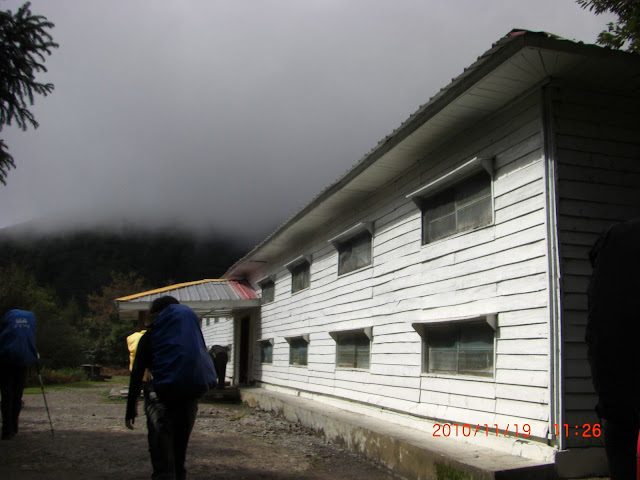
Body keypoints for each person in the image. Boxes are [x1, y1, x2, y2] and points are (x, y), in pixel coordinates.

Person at [125, 296, 216, 480]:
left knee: (162, 459)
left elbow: (137, 374)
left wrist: (130, 408)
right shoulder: (191, 338)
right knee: (179, 457)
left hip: (161, 400)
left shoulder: (151, 337)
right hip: (188, 401)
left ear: (156, 315)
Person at [585, 218, 640, 480]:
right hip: (616, 372)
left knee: (620, 437)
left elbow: (595, 337)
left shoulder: (610, 243)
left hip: (613, 380)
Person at [0, 309, 38, 440]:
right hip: (22, 361)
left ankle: (6, 429)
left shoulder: (7, 320)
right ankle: (14, 426)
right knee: (17, 394)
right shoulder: (29, 321)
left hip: (6, 360)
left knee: (7, 394)